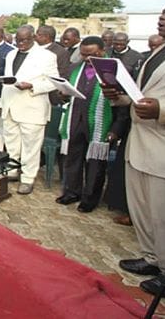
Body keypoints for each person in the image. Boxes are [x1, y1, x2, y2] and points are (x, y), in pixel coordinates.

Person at [107, 0, 165, 298]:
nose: (162, 17)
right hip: (140, 143)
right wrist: (119, 97)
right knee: (144, 209)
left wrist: (163, 109)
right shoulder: (160, 50)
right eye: (163, 11)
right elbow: (142, 96)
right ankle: (153, 259)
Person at [56, 36, 126, 212]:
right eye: (84, 54)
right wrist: (63, 94)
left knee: (95, 163)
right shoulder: (74, 68)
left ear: (102, 51)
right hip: (75, 120)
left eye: (92, 54)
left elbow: (124, 103)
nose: (87, 58)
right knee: (72, 158)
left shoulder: (115, 71)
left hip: (100, 123)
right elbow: (65, 93)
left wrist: (116, 129)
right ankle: (72, 192)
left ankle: (90, 198)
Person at [0, 26, 59, 195]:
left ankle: (27, 178)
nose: (21, 43)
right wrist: (2, 104)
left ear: (33, 37)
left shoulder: (47, 56)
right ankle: (12, 171)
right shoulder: (11, 54)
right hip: (10, 104)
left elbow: (54, 82)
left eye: (25, 40)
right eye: (18, 40)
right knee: (11, 143)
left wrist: (33, 85)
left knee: (30, 147)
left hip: (32, 107)